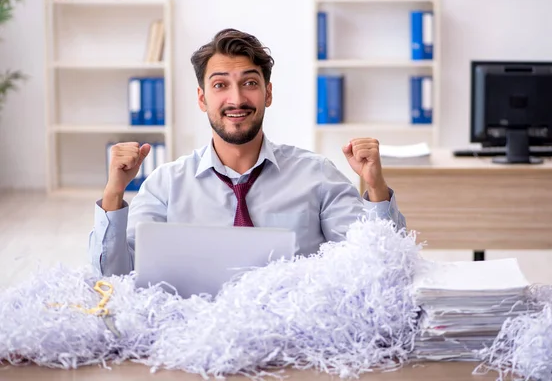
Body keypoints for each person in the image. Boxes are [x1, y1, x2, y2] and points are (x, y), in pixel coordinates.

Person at [88, 28, 406, 277]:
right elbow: (116, 277)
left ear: (267, 93)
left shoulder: (317, 175)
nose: (236, 99)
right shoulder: (165, 186)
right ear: (202, 99)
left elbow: (375, 265)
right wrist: (114, 193)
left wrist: (375, 188)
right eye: (220, 85)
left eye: (250, 83)